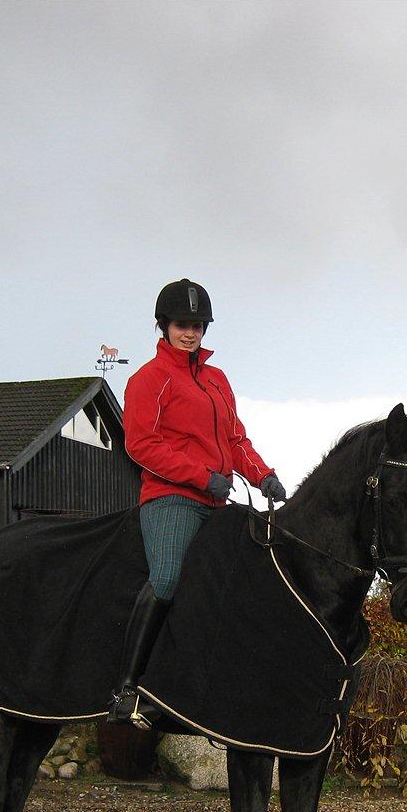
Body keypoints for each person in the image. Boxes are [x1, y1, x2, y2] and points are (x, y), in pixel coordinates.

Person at [107, 278, 287, 723]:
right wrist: (201, 477)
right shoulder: (148, 379)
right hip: (171, 499)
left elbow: (235, 439)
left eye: (197, 326)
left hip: (217, 502)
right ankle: (126, 689)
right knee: (168, 578)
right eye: (182, 325)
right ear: (164, 326)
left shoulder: (217, 379)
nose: (190, 333)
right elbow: (141, 445)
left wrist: (263, 475)